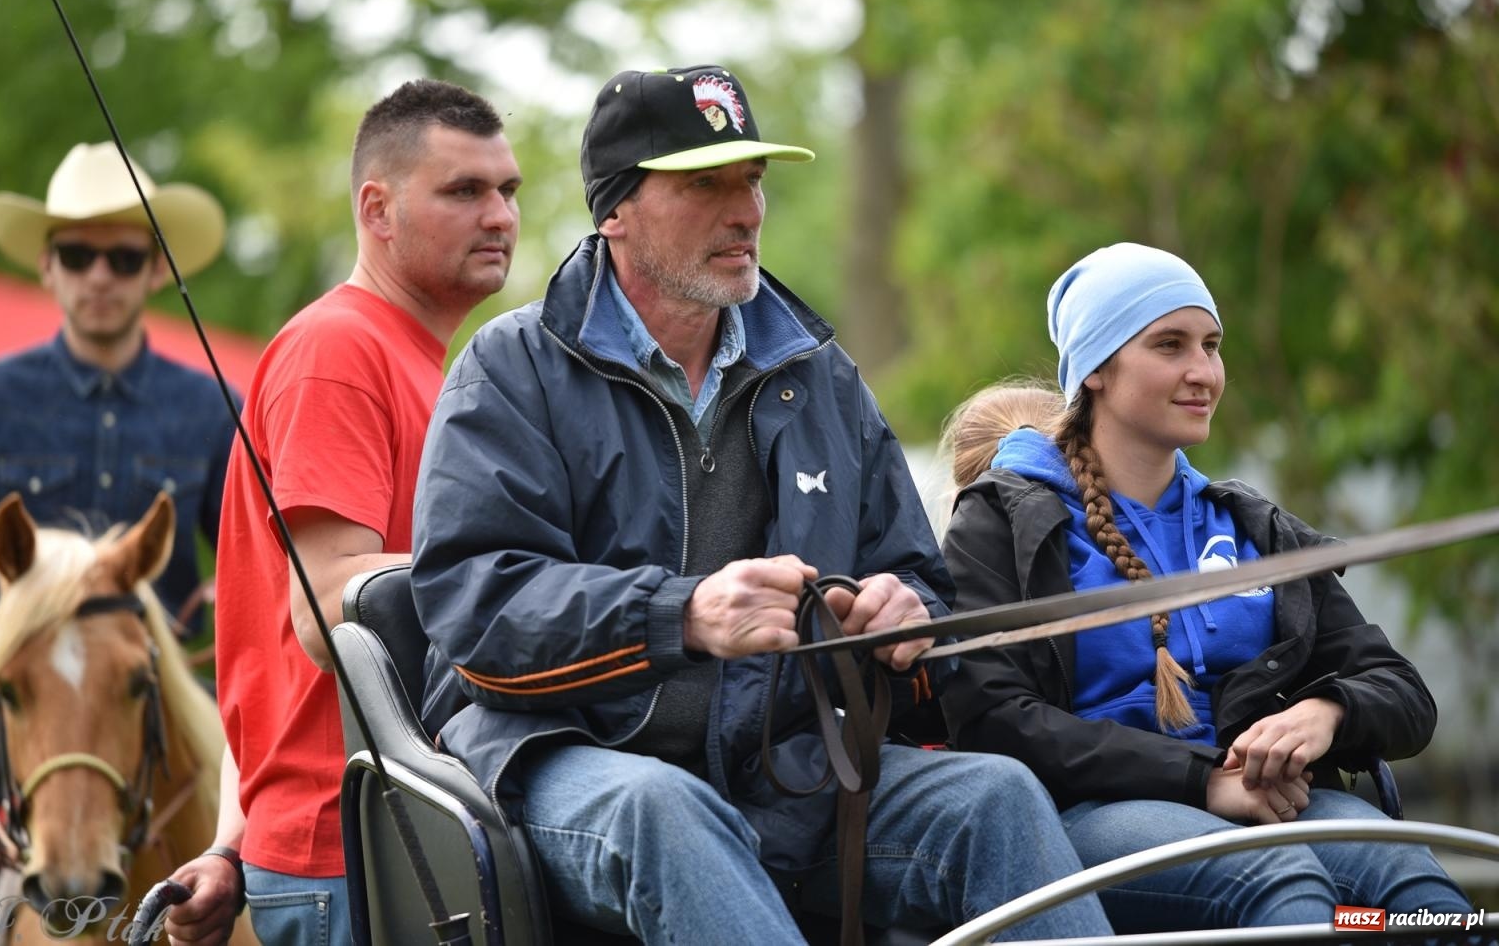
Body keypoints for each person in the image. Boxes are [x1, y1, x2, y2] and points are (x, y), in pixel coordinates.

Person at [410, 64, 1111, 943]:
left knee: (994, 795)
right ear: (615, 210)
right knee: (665, 809)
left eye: (753, 179)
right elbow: (476, 610)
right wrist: (684, 615)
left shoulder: (821, 373)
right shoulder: (510, 369)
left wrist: (906, 618)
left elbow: (917, 578)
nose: (746, 210)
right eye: (707, 183)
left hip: (789, 771)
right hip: (563, 762)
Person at [939, 242, 1471, 933]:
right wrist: (1201, 779)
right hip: (1091, 817)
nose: (1203, 372)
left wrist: (1326, 714)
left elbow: (1401, 692)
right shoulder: (1003, 519)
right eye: (1170, 345)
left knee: (1418, 892)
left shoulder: (1250, 522)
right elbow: (991, 718)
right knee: (1282, 884)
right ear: (1096, 368)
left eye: (1212, 345)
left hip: (1267, 801)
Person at [0, 141, 236, 945]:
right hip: (5, 697)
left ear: (155, 270)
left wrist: (235, 599)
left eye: (123, 257)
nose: (100, 276)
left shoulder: (212, 406)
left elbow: (252, 557)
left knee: (287, 864)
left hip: (154, 701)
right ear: (48, 266)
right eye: (79, 255)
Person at [212, 79, 520, 946]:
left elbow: (259, 657)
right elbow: (324, 606)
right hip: (349, 857)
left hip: (391, 835)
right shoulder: (339, 350)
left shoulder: (421, 360)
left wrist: (226, 849)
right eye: (464, 191)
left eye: (508, 190)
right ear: (376, 210)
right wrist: (529, 576)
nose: (499, 215)